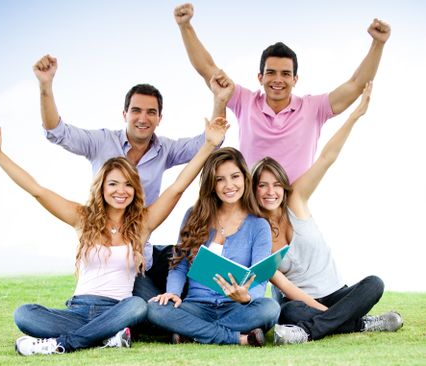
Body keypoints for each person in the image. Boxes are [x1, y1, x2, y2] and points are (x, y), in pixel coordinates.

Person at [0, 112, 228, 355]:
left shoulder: (141, 224)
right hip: (78, 309)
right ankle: (106, 337)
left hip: (118, 309)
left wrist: (208, 145)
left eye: (128, 184)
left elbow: (177, 187)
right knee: (24, 313)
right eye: (113, 184)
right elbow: (37, 190)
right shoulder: (83, 218)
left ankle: (63, 344)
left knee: (138, 305)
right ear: (102, 188)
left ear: (135, 189)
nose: (121, 190)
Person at [33, 54, 216, 300]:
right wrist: (45, 86)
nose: (143, 118)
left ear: (159, 118)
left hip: (143, 247)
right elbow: (56, 132)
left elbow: (208, 143)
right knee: (143, 306)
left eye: (151, 112)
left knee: (185, 264)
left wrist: (220, 99)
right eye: (136, 110)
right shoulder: (100, 143)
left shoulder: (166, 150)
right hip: (114, 256)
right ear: (124, 114)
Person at [250, 82, 403, 345]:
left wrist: (354, 116)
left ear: (284, 187)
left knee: (374, 283)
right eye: (262, 185)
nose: (270, 192)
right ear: (253, 189)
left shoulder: (296, 200)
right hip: (300, 302)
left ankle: (308, 332)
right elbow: (287, 288)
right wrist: (330, 314)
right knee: (288, 311)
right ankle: (359, 323)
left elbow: (326, 158)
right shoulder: (255, 231)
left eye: (276, 184)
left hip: (338, 294)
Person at [173, 3, 391, 183]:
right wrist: (185, 26)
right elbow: (207, 69)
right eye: (271, 73)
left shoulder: (314, 108)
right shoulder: (245, 101)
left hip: (291, 206)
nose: (278, 80)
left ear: (295, 79)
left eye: (286, 74)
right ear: (260, 77)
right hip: (250, 205)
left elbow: (355, 85)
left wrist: (378, 44)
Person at [148, 147, 279, 347]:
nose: (229, 185)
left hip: (236, 308)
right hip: (196, 306)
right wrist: (173, 292)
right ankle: (238, 338)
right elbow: (180, 264)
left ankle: (192, 332)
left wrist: (247, 297)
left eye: (235, 176)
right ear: (211, 184)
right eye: (220, 179)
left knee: (270, 309)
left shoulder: (259, 225)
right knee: (155, 309)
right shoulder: (194, 216)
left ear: (245, 178)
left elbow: (259, 277)